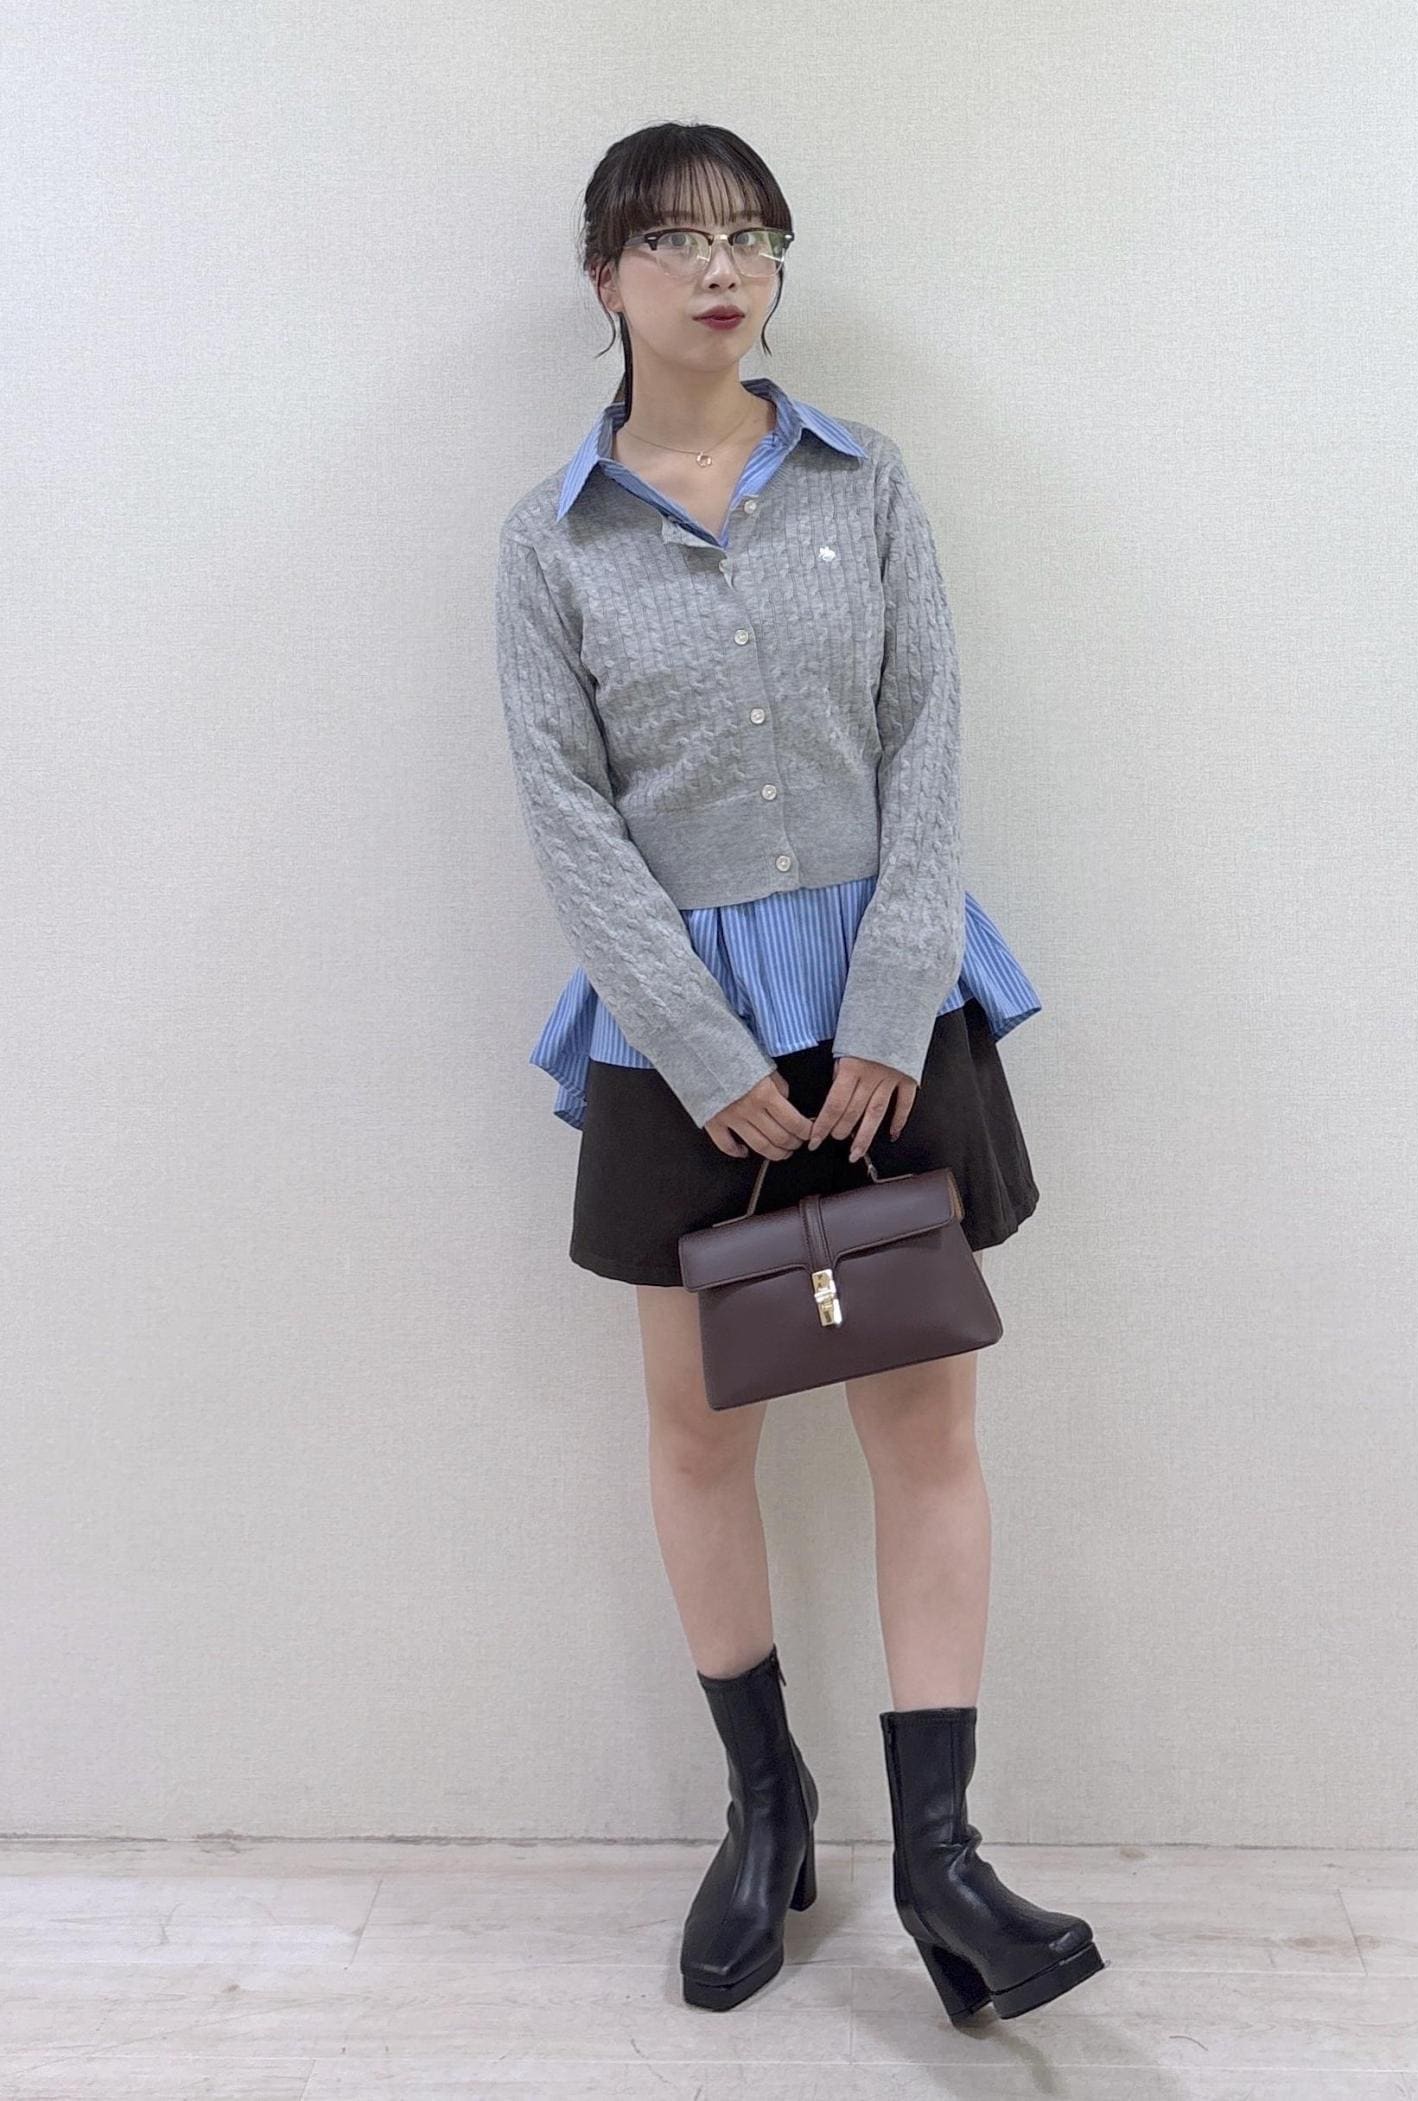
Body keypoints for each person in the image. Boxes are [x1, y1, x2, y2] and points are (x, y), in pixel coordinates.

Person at [493, 120, 1105, 2026]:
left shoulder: (867, 480)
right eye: (676, 238)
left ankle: (945, 1861)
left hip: (886, 1004)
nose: (720, 268)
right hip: (675, 1027)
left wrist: (889, 1003)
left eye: (751, 233)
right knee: (701, 1428)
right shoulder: (551, 540)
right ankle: (767, 1812)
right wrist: (698, 1048)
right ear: (604, 274)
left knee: (924, 1423)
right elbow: (569, 813)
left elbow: (928, 738)